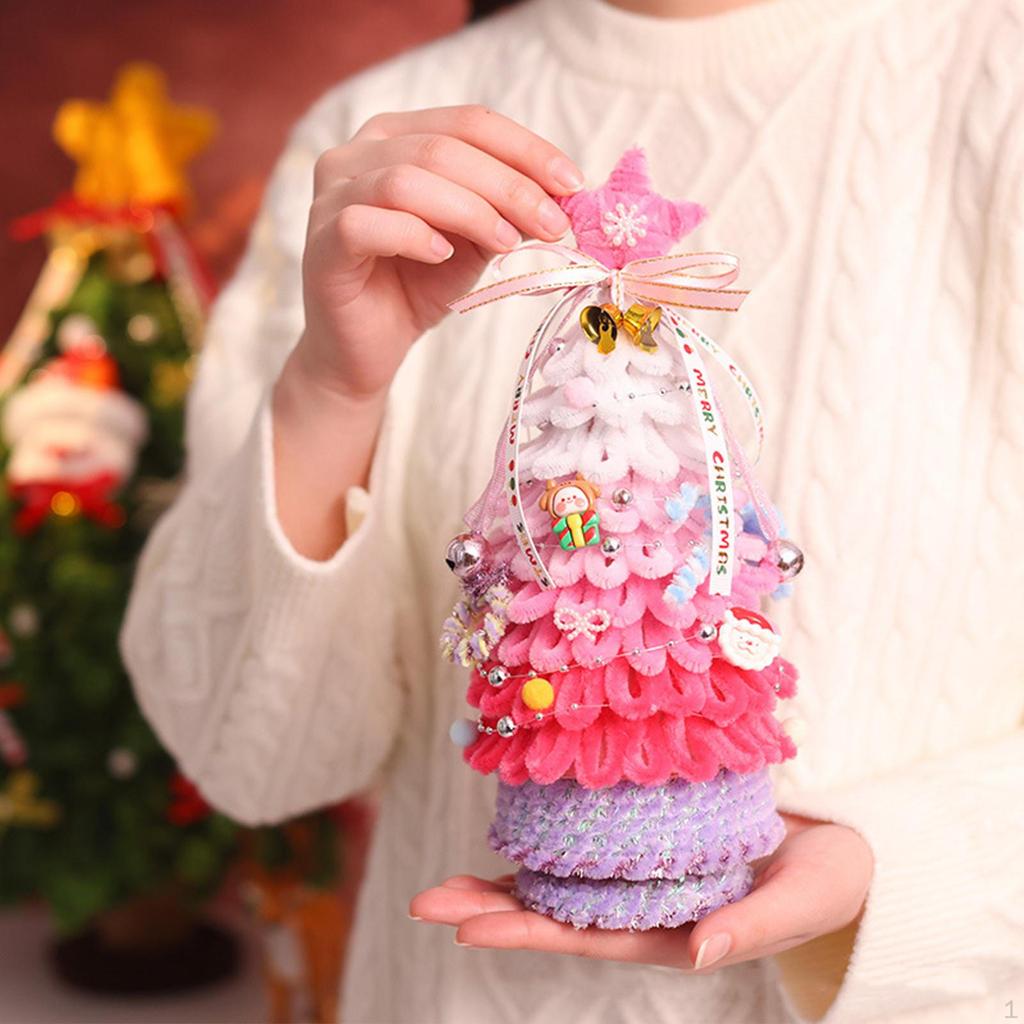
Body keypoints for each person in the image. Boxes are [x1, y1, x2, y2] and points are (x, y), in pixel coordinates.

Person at [120, 0, 1024, 1020]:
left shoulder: (996, 79)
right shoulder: (376, 141)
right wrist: (331, 392)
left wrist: (895, 861)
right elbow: (252, 759)